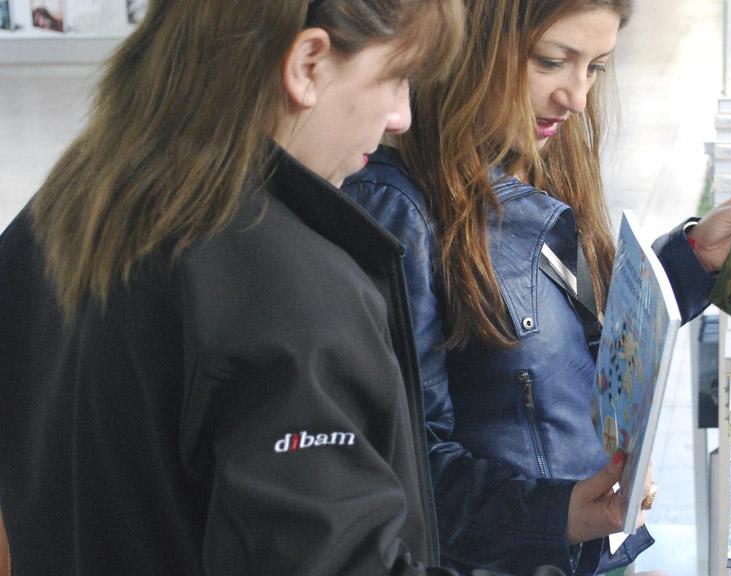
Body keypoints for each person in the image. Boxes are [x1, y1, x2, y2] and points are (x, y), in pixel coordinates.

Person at [0, 1, 565, 575]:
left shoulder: (51, 222)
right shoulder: (287, 287)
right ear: (307, 64)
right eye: (396, 78)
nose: (401, 116)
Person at [341, 0, 731, 574]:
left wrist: (691, 261)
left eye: (595, 67)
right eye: (550, 62)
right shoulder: (399, 210)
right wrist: (558, 514)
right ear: (469, 48)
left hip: (587, 550)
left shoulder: (534, 155)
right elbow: (406, 466)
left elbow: (572, 342)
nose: (577, 98)